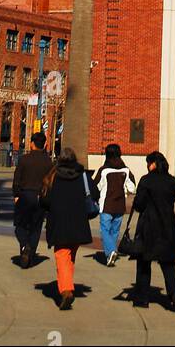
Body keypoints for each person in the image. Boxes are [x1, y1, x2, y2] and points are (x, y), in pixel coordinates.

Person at [128, 151, 175, 312]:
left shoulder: (146, 181)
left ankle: (142, 298)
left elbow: (139, 204)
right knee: (168, 262)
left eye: (148, 163)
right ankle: (174, 294)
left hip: (149, 225)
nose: (147, 166)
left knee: (144, 263)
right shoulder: (171, 181)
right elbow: (173, 198)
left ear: (153, 164)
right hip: (168, 225)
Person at [43, 145, 93, 309]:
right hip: (78, 223)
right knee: (69, 256)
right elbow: (95, 194)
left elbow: (45, 201)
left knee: (61, 255)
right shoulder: (83, 176)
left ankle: (66, 290)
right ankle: (67, 284)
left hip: (59, 222)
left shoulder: (53, 176)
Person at [12, 130, 52, 268]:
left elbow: (17, 179)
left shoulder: (24, 159)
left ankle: (24, 246)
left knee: (20, 225)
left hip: (25, 195)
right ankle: (30, 252)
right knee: (36, 227)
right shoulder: (48, 162)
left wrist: (16, 194)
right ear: (44, 144)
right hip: (41, 197)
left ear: (32, 144)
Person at [91, 143, 136, 267]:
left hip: (106, 205)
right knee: (114, 231)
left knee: (105, 230)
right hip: (120, 205)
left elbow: (96, 187)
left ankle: (111, 251)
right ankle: (111, 254)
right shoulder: (126, 170)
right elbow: (132, 188)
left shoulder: (104, 170)